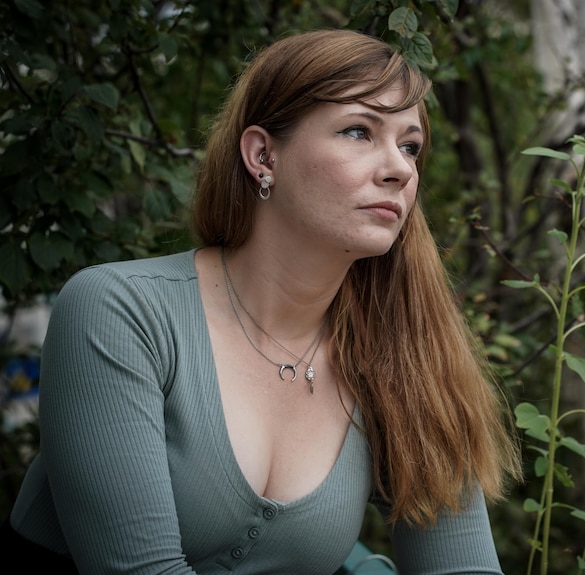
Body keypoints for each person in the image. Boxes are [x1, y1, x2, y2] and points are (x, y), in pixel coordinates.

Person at [2, 28, 522, 574]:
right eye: (358, 132)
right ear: (262, 154)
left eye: (410, 145)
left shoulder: (405, 353)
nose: (400, 168)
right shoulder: (121, 311)